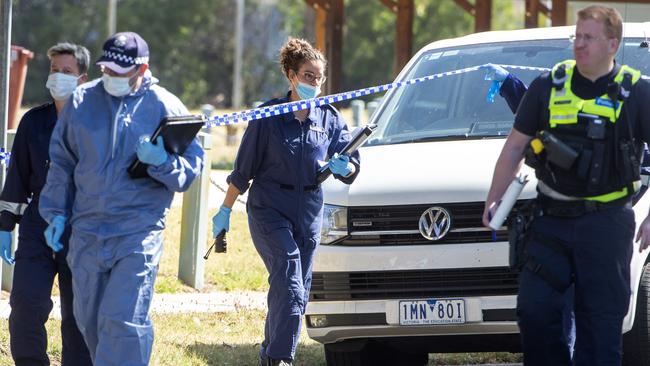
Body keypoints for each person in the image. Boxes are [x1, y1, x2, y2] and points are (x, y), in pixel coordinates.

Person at [483, 5, 650, 365]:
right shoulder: (547, 86)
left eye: (589, 37)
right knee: (535, 313)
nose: (579, 44)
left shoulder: (637, 93)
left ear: (612, 45)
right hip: (550, 221)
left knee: (600, 328)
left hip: (607, 224)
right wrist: (495, 198)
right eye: (577, 36)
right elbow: (515, 145)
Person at [38, 31, 204, 366]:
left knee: (123, 321)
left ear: (142, 70)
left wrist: (163, 163)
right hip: (87, 233)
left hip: (136, 232)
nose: (111, 77)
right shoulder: (82, 101)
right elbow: (63, 161)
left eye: (120, 72)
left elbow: (189, 171)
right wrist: (55, 212)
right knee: (91, 322)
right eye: (107, 70)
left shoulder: (164, 106)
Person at [211, 37, 361, 366]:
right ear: (291, 76)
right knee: (290, 279)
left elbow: (353, 164)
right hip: (269, 209)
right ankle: (281, 359)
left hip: (308, 211)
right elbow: (243, 170)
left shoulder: (330, 118)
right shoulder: (269, 115)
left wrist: (344, 165)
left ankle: (270, 354)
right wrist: (224, 210)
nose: (315, 83)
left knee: (295, 289)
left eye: (319, 77)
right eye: (308, 75)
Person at [0, 42, 92, 366]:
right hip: (37, 226)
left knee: (78, 314)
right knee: (26, 304)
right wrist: (5, 226)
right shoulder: (32, 122)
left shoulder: (98, 125)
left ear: (82, 78)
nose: (58, 77)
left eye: (66, 72)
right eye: (54, 71)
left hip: (83, 229)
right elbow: (17, 178)